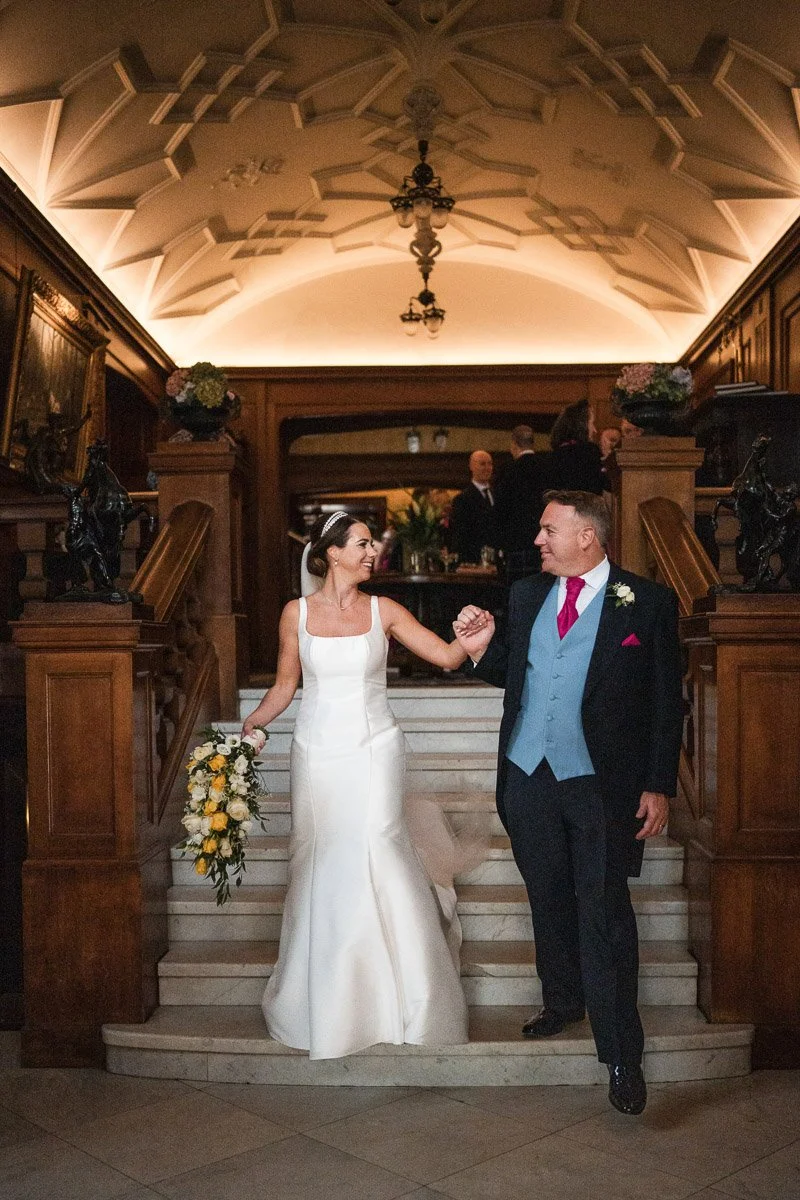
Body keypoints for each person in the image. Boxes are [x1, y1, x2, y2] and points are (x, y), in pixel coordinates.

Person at [453, 490, 683, 1116]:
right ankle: (561, 1002)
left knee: (604, 911)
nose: (537, 540)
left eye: (548, 529)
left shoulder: (648, 603)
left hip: (600, 785)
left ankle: (621, 1057)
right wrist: (480, 648)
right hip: (528, 776)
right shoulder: (527, 595)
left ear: (587, 536)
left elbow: (668, 704)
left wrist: (659, 782)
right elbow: (516, 670)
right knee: (547, 894)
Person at [243, 511, 472, 1060]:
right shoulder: (295, 614)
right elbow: (284, 685)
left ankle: (406, 1001)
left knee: (379, 847)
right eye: (364, 544)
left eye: (373, 544)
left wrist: (471, 637)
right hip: (317, 754)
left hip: (376, 751)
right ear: (332, 553)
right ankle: (326, 997)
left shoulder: (385, 610)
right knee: (322, 857)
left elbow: (443, 656)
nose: (373, 553)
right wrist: (253, 724)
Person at [493, 424, 547, 584]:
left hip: (516, 546)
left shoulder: (507, 471)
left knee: (518, 595)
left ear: (513, 444)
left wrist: (500, 545)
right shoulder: (546, 467)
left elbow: (500, 512)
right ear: (532, 443)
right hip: (545, 545)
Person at [541, 398, 605, 496]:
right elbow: (606, 484)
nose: (595, 430)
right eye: (592, 423)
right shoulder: (590, 452)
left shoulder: (551, 458)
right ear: (581, 425)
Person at [447, 449, 496, 564]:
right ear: (471, 466)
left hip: (497, 561)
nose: (487, 468)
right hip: (473, 561)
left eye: (490, 464)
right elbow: (461, 536)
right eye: (482, 464)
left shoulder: (498, 494)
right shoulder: (462, 499)